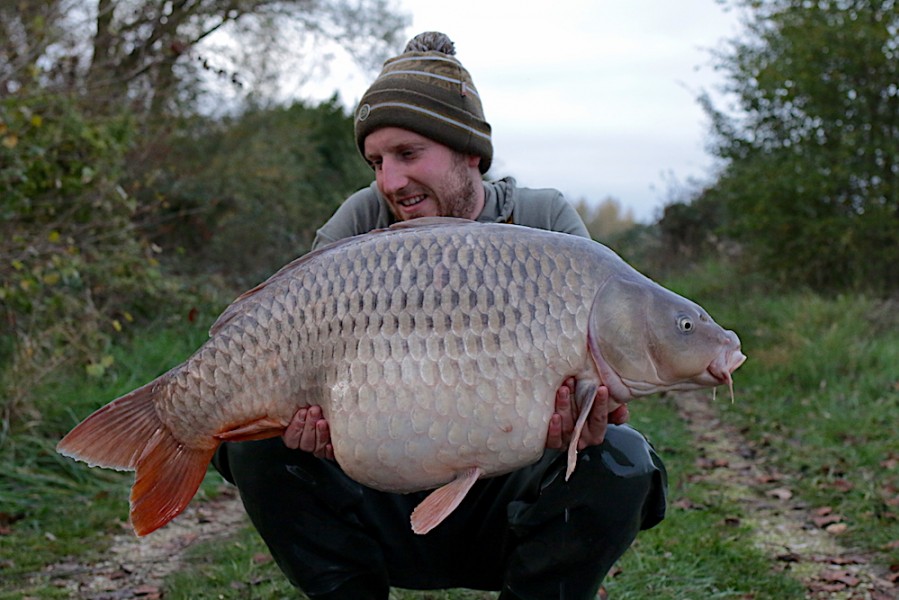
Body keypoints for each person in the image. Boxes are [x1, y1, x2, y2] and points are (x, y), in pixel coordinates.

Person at [212, 32, 667, 600]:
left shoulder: (544, 220)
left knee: (622, 459)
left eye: (408, 155)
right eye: (377, 161)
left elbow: (596, 388)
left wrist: (575, 423)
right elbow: (294, 350)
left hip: (507, 500)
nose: (390, 181)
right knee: (253, 442)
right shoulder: (358, 223)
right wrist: (317, 424)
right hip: (377, 489)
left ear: (469, 152)